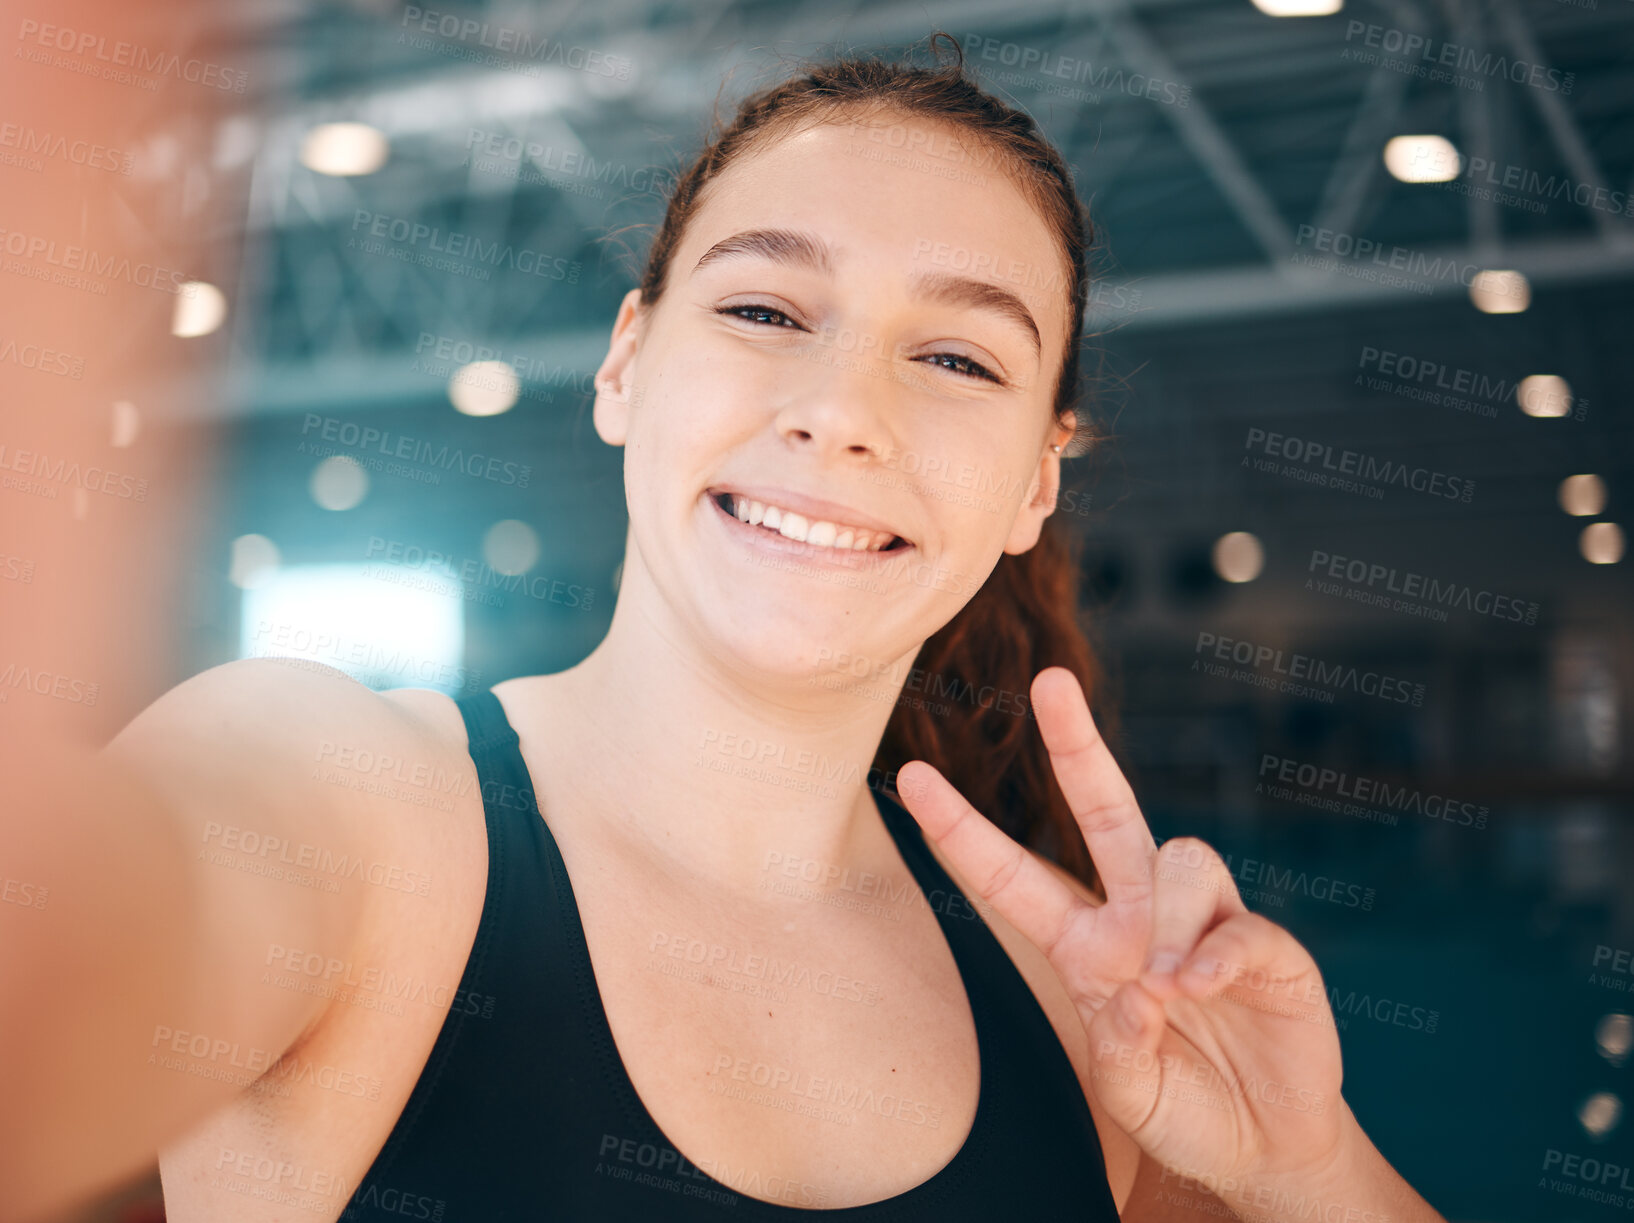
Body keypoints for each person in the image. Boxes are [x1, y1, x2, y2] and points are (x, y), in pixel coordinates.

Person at [1, 36, 1447, 1223]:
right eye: (763, 307)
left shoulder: (1075, 1009)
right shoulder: (344, 801)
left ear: (1032, 484)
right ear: (625, 364)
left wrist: (1300, 1167)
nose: (841, 412)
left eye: (953, 356)